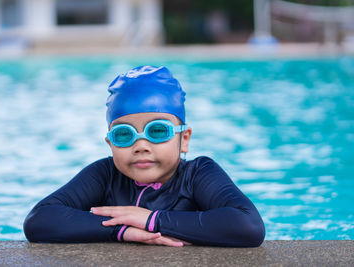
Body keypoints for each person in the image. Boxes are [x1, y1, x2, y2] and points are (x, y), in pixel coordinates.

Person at [23, 66, 265, 247]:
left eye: (157, 131)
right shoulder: (105, 175)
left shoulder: (198, 174)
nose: (140, 146)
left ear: (185, 139)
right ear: (110, 143)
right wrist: (121, 230)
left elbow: (248, 225)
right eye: (124, 135)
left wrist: (152, 220)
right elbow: (39, 219)